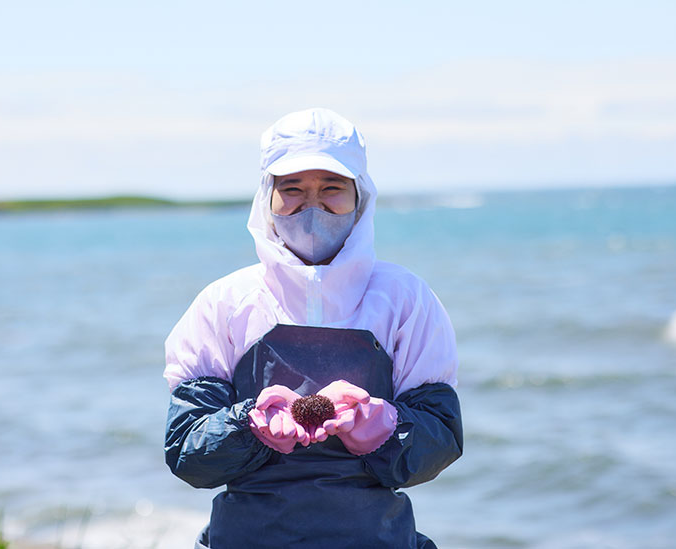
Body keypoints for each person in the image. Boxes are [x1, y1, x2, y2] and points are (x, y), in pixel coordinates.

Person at [164, 108, 463, 548]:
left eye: (332, 188)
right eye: (293, 189)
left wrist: (385, 427)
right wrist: (248, 424)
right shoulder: (225, 303)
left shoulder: (405, 299)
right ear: (267, 196)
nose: (312, 205)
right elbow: (188, 452)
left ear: (360, 196)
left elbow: (441, 438)